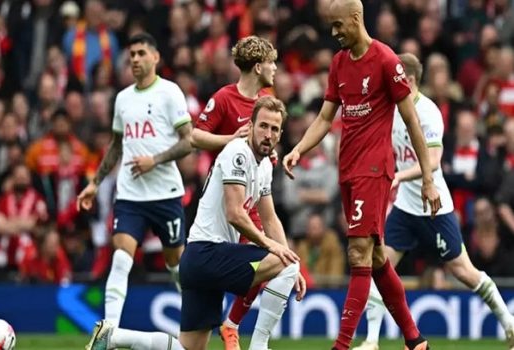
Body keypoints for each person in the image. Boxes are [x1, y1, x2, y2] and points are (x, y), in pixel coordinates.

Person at [282, 1, 441, 350]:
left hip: (374, 168)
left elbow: (412, 120)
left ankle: (341, 345)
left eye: (339, 25)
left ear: (357, 19)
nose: (334, 33)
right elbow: (325, 118)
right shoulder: (339, 63)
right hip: (348, 170)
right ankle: (415, 340)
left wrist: (428, 178)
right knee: (378, 258)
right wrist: (298, 150)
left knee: (358, 254)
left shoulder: (386, 60)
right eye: (331, 26)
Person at [353, 54, 514, 350]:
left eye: (394, 77)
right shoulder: (391, 109)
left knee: (465, 272)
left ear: (409, 79)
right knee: (378, 266)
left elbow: (435, 162)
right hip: (404, 209)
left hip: (434, 208)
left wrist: (398, 177)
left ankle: (510, 324)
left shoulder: (427, 112)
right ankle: (372, 341)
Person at [77, 32, 192, 336]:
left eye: (142, 53)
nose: (136, 60)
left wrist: (155, 159)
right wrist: (95, 182)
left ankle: (195, 321)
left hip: (166, 193)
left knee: (176, 265)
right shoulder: (123, 99)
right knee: (120, 258)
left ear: (155, 57)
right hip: (130, 196)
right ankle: (109, 330)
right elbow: (116, 146)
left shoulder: (170, 93)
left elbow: (188, 141)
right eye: (132, 55)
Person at [180, 96, 306, 350]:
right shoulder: (238, 153)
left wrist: (291, 265)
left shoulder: (265, 167)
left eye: (274, 129)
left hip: (200, 258)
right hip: (207, 251)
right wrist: (275, 250)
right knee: (282, 260)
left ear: (280, 135)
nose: (267, 134)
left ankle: (115, 337)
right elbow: (235, 214)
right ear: (250, 125)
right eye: (263, 126)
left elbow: (269, 219)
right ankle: (257, 344)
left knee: (190, 348)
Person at [191, 35, 277, 350]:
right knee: (260, 261)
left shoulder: (266, 100)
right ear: (258, 67)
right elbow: (195, 137)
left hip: (256, 192)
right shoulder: (225, 98)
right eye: (271, 63)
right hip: (229, 193)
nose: (275, 69)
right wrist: (231, 138)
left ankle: (232, 326)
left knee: (269, 263)